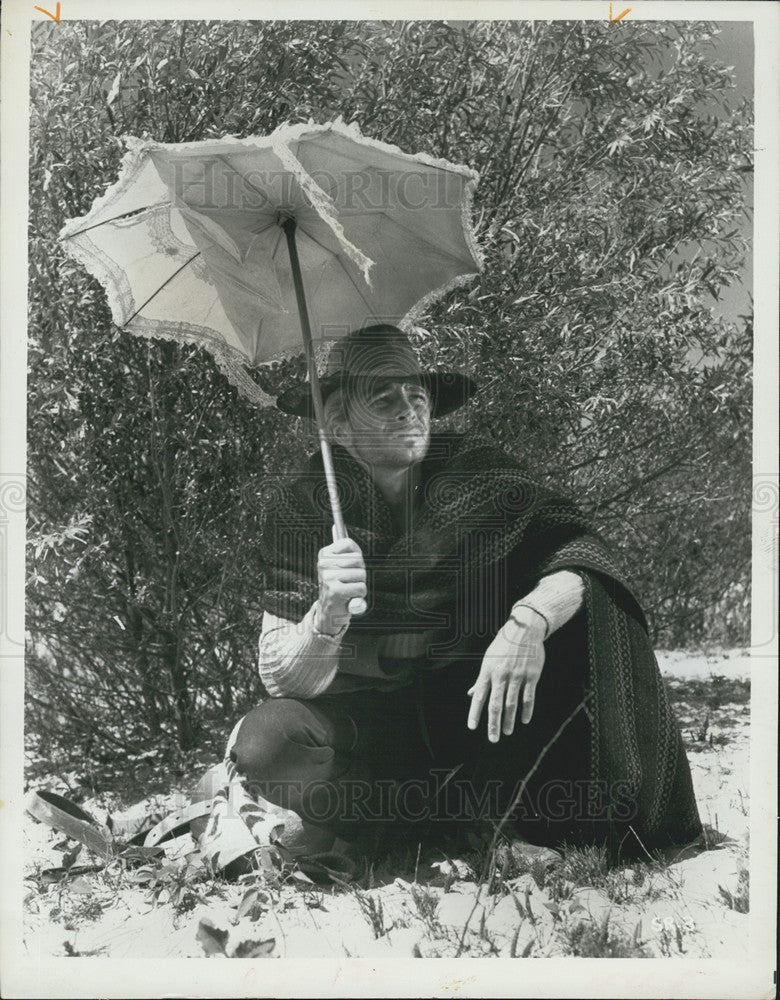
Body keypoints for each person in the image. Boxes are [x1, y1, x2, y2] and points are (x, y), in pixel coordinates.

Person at [228, 325, 702, 873]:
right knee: (269, 745)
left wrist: (527, 624)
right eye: (383, 400)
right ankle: (418, 822)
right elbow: (281, 677)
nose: (409, 411)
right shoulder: (302, 506)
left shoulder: (476, 472)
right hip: (377, 731)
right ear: (338, 423)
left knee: (578, 606)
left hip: (483, 720)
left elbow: (581, 551)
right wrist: (327, 613)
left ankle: (504, 818)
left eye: (417, 396)